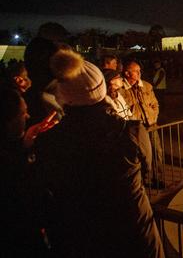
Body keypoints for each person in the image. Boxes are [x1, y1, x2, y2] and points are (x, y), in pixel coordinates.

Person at [37, 49, 164, 257]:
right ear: (101, 89)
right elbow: (146, 169)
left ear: (66, 97)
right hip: (132, 225)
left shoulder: (50, 140)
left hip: (81, 234)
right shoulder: (131, 131)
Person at [1, 87, 58, 256]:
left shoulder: (10, 151)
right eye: (22, 113)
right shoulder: (8, 167)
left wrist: (25, 143)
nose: (28, 116)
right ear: (7, 120)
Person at [122, 59, 164, 188]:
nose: (139, 73)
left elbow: (155, 104)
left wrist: (153, 117)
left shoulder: (146, 86)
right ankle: (143, 180)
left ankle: (158, 178)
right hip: (135, 127)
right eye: (136, 71)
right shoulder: (121, 90)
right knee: (140, 155)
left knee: (157, 152)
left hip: (151, 124)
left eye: (139, 70)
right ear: (127, 73)